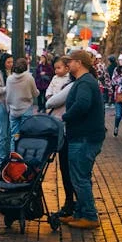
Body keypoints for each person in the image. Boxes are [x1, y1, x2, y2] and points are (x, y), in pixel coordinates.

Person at [60, 50, 105, 229]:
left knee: (80, 177)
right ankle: (80, 213)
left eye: (70, 62)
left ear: (79, 63)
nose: (68, 65)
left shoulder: (85, 82)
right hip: (84, 136)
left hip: (84, 137)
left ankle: (89, 215)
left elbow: (82, 104)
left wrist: (66, 116)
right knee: (80, 176)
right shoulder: (84, 82)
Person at [45, 57, 76, 218]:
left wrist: (49, 100)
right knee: (68, 169)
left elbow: (51, 102)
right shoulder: (61, 81)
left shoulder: (71, 85)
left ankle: (72, 203)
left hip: (64, 129)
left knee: (68, 169)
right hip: (61, 127)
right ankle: (71, 202)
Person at [6, 57, 39, 152]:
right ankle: (24, 157)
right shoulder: (29, 78)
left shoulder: (9, 79)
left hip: (13, 110)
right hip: (26, 109)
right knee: (26, 135)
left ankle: (14, 157)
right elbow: (35, 93)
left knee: (15, 135)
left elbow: (8, 95)